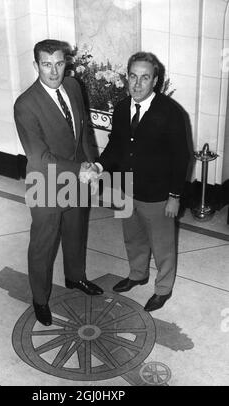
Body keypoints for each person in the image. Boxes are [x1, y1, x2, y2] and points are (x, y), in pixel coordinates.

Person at [86, 51, 190, 312]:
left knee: (163, 246)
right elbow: (116, 146)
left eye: (145, 78)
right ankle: (137, 274)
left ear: (155, 80)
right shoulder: (122, 108)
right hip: (127, 189)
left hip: (158, 195)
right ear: (127, 77)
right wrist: (99, 165)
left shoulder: (171, 113)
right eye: (133, 76)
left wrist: (174, 197)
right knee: (133, 238)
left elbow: (181, 157)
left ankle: (163, 289)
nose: (138, 84)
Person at [14, 39, 103, 326]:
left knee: (76, 232)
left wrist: (91, 166)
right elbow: (40, 158)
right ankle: (40, 299)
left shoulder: (74, 87)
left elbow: (83, 131)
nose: (54, 72)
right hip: (46, 185)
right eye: (46, 64)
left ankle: (75, 277)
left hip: (78, 178)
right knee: (43, 245)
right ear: (36, 65)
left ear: (67, 63)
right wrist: (81, 170)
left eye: (59, 63)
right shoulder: (26, 105)